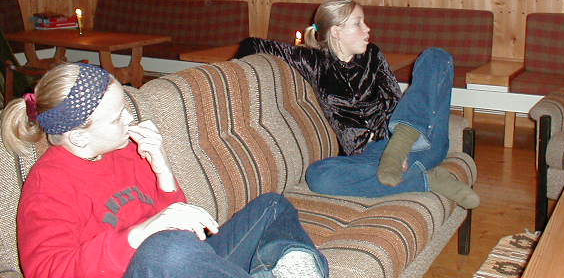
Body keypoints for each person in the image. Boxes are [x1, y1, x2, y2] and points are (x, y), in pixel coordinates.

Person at [1, 62, 328, 278]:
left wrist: (162, 170)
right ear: (79, 138)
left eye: (125, 108)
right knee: (167, 249)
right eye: (116, 117)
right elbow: (47, 270)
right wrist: (139, 234)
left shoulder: (126, 151)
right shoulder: (49, 184)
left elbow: (183, 225)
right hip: (154, 264)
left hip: (181, 262)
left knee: (272, 206)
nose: (130, 118)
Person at [236, 0, 479, 209]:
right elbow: (251, 44)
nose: (367, 29)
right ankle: (427, 179)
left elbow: (393, 99)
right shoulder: (314, 62)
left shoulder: (373, 55)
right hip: (369, 159)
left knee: (436, 56)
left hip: (419, 142)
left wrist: (399, 148)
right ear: (336, 31)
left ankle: (399, 150)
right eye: (358, 23)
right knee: (319, 175)